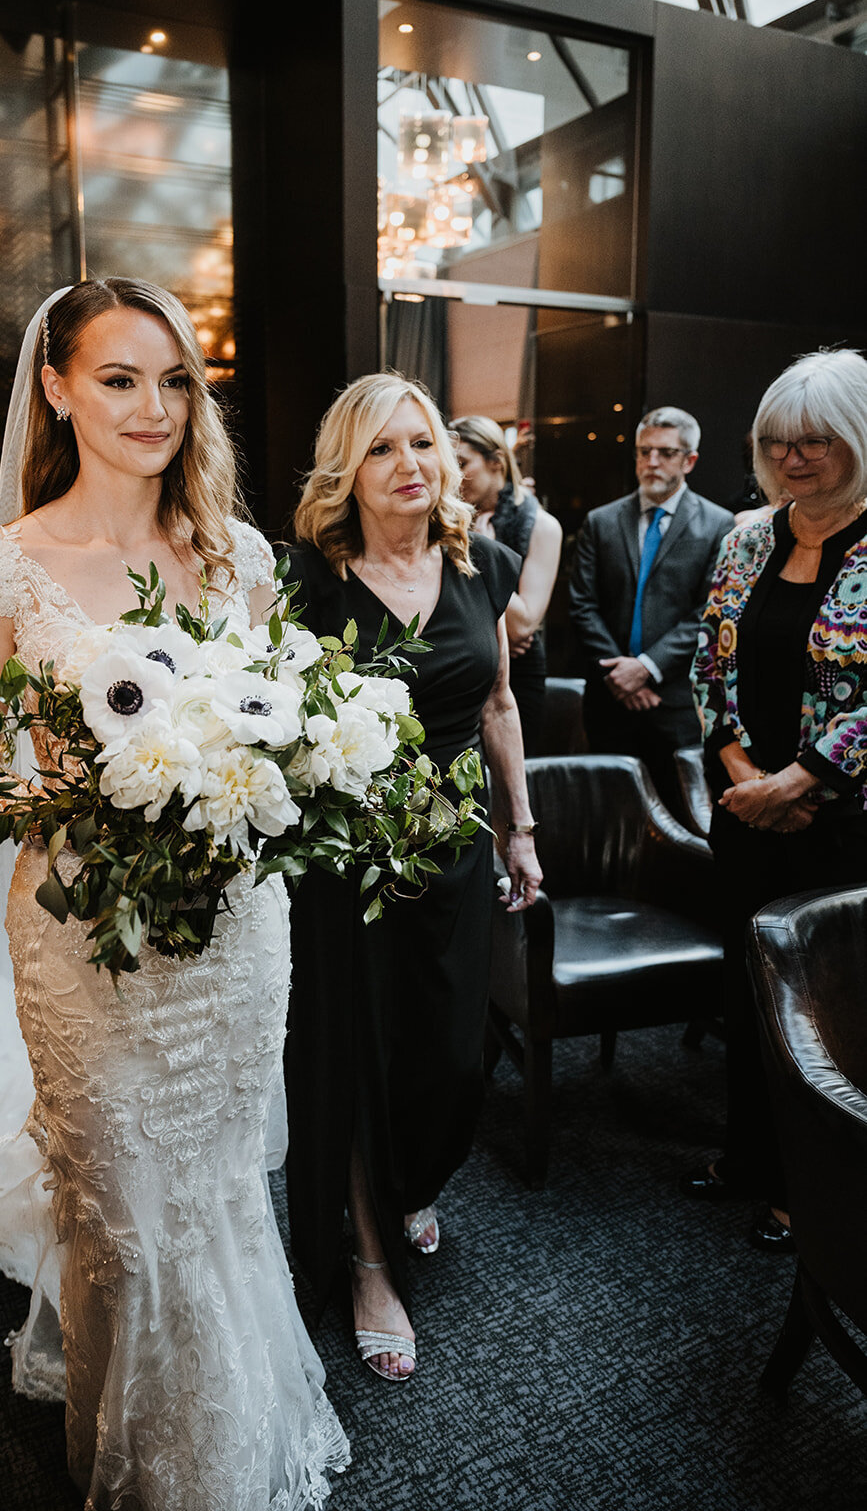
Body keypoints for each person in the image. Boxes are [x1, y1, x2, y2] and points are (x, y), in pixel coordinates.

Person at [0, 280, 350, 1508]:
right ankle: (141, 1472)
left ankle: (232, 1444)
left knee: (224, 1186)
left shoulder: (235, 555)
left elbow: (277, 723)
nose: (154, 407)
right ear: (58, 389)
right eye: (120, 378)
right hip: (85, 935)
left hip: (234, 930)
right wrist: (88, 802)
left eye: (175, 380)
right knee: (121, 1210)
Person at [284, 373, 542, 1382]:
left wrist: (518, 829)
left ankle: (409, 1175)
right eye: (381, 449)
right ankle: (364, 1258)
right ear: (347, 467)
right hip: (344, 857)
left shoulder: (480, 559)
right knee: (357, 1053)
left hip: (453, 845)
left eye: (422, 444)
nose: (407, 467)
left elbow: (497, 705)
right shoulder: (306, 575)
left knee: (450, 1053)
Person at [684, 348, 867, 1252]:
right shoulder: (747, 536)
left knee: (830, 1015)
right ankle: (747, 1156)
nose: (793, 458)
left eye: (817, 442)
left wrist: (803, 781)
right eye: (776, 442)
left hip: (845, 832)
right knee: (746, 992)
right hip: (747, 816)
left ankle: (813, 1191)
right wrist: (741, 776)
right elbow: (707, 662)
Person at [568, 406, 734, 816]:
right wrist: (619, 675)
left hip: (674, 700)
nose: (652, 461)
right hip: (609, 700)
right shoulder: (601, 521)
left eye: (665, 452)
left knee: (679, 813)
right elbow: (582, 605)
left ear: (690, 460)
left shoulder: (719, 525)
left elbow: (708, 613)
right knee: (606, 813)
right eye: (644, 451)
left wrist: (645, 668)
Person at [451, 414, 563, 754]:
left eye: (462, 463)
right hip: (461, 661)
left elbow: (523, 623)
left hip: (518, 675)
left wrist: (480, 552)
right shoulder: (443, 523)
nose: (452, 475)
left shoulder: (542, 526)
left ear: (496, 461)